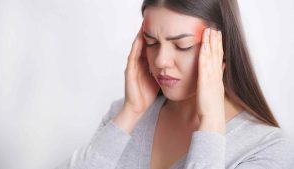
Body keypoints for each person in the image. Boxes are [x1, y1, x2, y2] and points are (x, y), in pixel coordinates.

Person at [56, 0, 294, 168]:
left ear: (222, 49)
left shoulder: (266, 148)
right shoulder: (121, 115)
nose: (160, 61)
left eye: (183, 46)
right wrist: (131, 112)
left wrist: (211, 124)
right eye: (151, 42)